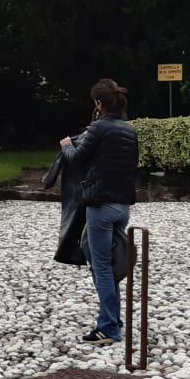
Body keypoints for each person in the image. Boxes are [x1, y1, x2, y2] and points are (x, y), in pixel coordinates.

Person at [60, 78, 138, 346]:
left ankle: (109, 327)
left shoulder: (98, 128)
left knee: (102, 266)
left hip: (100, 204)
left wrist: (66, 145)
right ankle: (113, 317)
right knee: (94, 253)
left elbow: (76, 159)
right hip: (122, 205)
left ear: (98, 103)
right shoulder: (129, 130)